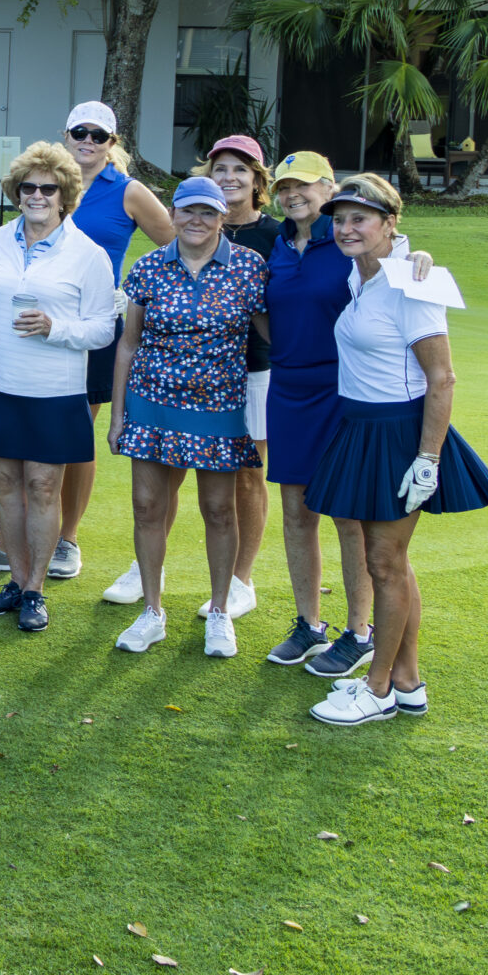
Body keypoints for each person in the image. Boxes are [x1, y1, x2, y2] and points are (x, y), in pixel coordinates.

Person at [303, 174, 488, 725]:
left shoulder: (415, 285)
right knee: (390, 562)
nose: (346, 228)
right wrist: (412, 256)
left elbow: (443, 378)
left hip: (400, 432)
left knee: (383, 563)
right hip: (362, 426)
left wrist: (428, 458)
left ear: (390, 224)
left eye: (359, 218)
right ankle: (408, 682)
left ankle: (378, 688)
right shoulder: (361, 276)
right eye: (339, 219)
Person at [0, 100, 173, 593]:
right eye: (79, 132)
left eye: (99, 135)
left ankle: (65, 539)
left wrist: (132, 296)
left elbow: (176, 247)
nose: (88, 141)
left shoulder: (127, 191)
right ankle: (11, 543)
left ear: (112, 143)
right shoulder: (27, 205)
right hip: (22, 343)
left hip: (91, 325)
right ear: (66, 136)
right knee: (20, 454)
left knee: (70, 441)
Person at [107, 175, 270, 657]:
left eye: (208, 212)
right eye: (188, 211)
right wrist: (118, 416)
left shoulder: (248, 267)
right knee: (147, 508)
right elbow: (129, 344)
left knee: (220, 510)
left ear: (223, 218)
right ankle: (152, 611)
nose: (196, 221)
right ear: (173, 215)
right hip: (151, 403)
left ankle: (219, 612)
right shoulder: (149, 267)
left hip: (218, 407)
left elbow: (274, 334)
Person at [0, 141, 113, 634]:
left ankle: (35, 591)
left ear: (65, 194)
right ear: (16, 192)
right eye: (28, 187)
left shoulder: (87, 255)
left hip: (55, 390)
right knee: (6, 486)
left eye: (49, 188)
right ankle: (16, 578)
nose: (38, 195)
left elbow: (103, 330)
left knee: (43, 487)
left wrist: (56, 328)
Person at [260, 151, 387, 677]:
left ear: (329, 189)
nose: (294, 195)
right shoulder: (278, 247)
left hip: (342, 392)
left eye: (305, 187)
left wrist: (419, 258)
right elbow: (266, 317)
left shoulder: (347, 243)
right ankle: (309, 624)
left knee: (347, 514)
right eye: (285, 187)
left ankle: (360, 632)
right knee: (296, 511)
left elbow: (397, 269)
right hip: (287, 390)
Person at [202, 134, 276, 621]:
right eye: (220, 168)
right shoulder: (198, 224)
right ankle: (149, 569)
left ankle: (241, 579)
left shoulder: (277, 233)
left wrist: (406, 250)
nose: (229, 177)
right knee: (197, 479)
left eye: (240, 170)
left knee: (248, 475)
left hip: (256, 370)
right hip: (203, 372)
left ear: (257, 180)